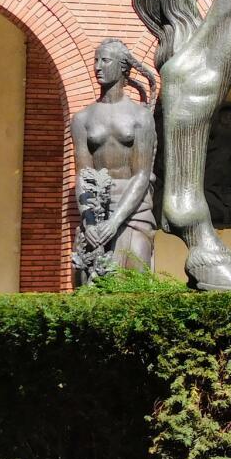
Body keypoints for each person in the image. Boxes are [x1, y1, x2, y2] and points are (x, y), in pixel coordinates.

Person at [70, 39, 159, 283]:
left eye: (105, 60)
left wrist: (115, 221)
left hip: (134, 210)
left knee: (134, 276)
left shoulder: (140, 116)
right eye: (95, 60)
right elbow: (83, 174)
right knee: (87, 282)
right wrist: (90, 222)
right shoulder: (82, 119)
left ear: (123, 67)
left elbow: (142, 174)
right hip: (96, 209)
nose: (97, 66)